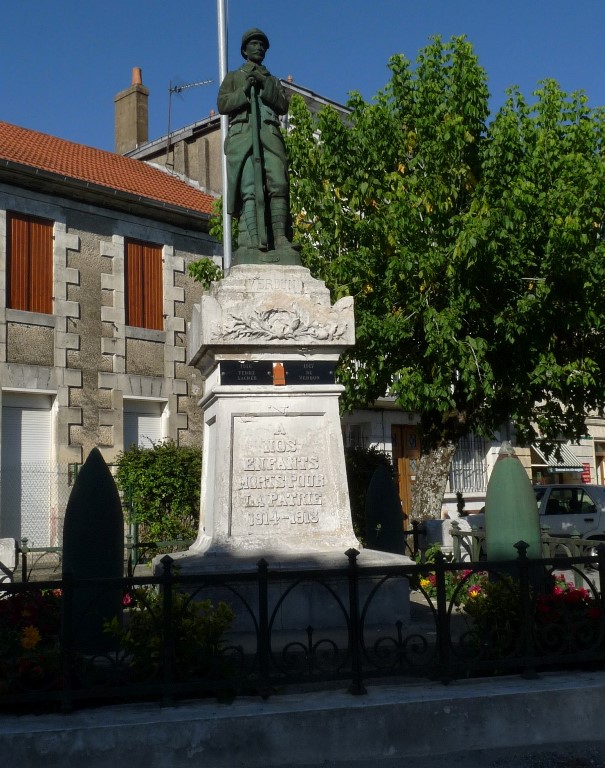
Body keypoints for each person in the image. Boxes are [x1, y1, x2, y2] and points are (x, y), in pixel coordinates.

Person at [218, 28, 300, 264]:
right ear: (245, 50)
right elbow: (223, 103)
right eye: (254, 44)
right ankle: (253, 242)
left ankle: (281, 238)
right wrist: (244, 91)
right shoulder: (234, 77)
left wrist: (264, 84)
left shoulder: (272, 80)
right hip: (244, 136)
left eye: (262, 44)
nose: (259, 47)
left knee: (279, 183)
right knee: (249, 188)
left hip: (269, 135)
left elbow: (283, 105)